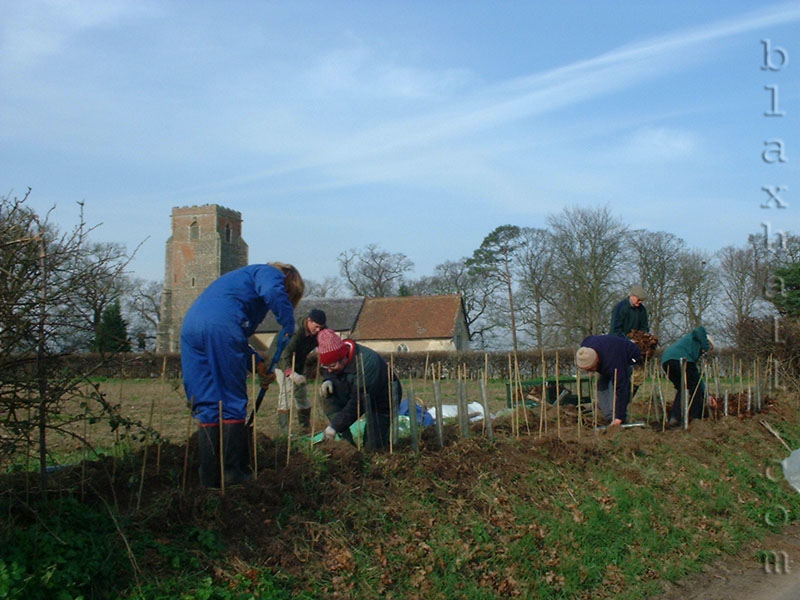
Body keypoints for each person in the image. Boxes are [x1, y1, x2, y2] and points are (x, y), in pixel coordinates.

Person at [181, 262, 304, 487]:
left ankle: (209, 477)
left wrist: (257, 363)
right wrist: (288, 323)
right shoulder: (271, 273)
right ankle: (233, 473)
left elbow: (235, 340)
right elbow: (269, 293)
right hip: (220, 327)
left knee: (209, 405)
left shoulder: (237, 287)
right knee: (230, 401)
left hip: (192, 327)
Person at [316, 328, 399, 450]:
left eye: (332, 366)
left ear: (343, 357)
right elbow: (327, 366)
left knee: (373, 448)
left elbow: (357, 403)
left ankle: (367, 444)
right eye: (326, 366)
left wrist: (333, 426)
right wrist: (327, 379)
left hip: (382, 399)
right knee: (326, 394)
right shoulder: (335, 354)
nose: (329, 369)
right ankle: (346, 446)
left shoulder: (367, 363)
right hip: (351, 388)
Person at [268, 308, 327, 433]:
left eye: (320, 328)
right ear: (308, 320)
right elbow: (285, 355)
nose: (318, 330)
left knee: (301, 394)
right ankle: (285, 431)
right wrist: (292, 374)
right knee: (287, 392)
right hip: (280, 362)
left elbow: (325, 345)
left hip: (299, 363)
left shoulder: (320, 330)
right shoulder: (294, 331)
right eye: (316, 327)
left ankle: (304, 427)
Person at [575, 334, 642, 427]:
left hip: (629, 357)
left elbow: (621, 388)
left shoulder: (613, 362)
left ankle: (618, 418)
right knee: (601, 386)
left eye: (590, 368)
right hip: (607, 353)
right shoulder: (585, 349)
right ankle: (610, 417)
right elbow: (589, 338)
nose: (589, 372)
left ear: (596, 360)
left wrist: (619, 417)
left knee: (613, 387)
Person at [661, 326, 717, 427]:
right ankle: (696, 418)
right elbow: (699, 329)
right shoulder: (698, 336)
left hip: (667, 361)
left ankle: (675, 417)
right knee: (696, 390)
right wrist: (706, 346)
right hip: (682, 360)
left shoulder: (690, 347)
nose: (705, 352)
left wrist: (707, 395)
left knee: (683, 388)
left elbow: (697, 378)